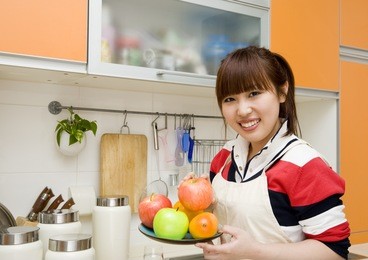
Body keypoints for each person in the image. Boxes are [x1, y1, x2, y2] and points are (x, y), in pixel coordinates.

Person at [193, 46, 350, 259]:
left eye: (254, 93)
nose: (242, 110)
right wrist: (199, 204)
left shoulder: (304, 164)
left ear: (282, 92)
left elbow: (335, 251)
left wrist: (255, 251)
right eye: (230, 99)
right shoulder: (224, 158)